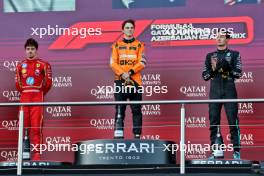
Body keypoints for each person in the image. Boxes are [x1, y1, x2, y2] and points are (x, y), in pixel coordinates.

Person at [202, 31, 242, 159]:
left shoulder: (235, 54)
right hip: (215, 92)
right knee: (214, 121)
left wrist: (228, 69)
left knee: (233, 121)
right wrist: (214, 71)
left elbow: (238, 73)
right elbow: (205, 76)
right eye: (217, 37)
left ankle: (236, 151)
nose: (219, 39)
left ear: (227, 39)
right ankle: (216, 151)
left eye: (222, 37)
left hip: (229, 90)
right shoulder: (210, 56)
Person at [15, 38, 52, 160]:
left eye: (32, 49)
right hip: (24, 97)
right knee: (24, 126)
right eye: (28, 49)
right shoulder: (20, 65)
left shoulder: (43, 64)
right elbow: (18, 85)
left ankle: (36, 155)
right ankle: (23, 154)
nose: (30, 51)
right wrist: (27, 92)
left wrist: (39, 93)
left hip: (37, 98)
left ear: (36, 50)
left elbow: (48, 83)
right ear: (25, 50)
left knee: (36, 127)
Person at [110, 19, 146, 139]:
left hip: (136, 81)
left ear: (134, 29)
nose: (129, 29)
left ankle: (137, 136)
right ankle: (118, 135)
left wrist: (130, 72)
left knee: (136, 109)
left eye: (131, 27)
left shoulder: (140, 45)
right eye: (127, 27)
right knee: (120, 107)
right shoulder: (116, 45)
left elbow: (142, 62)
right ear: (122, 30)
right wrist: (122, 74)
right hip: (120, 80)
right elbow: (112, 63)